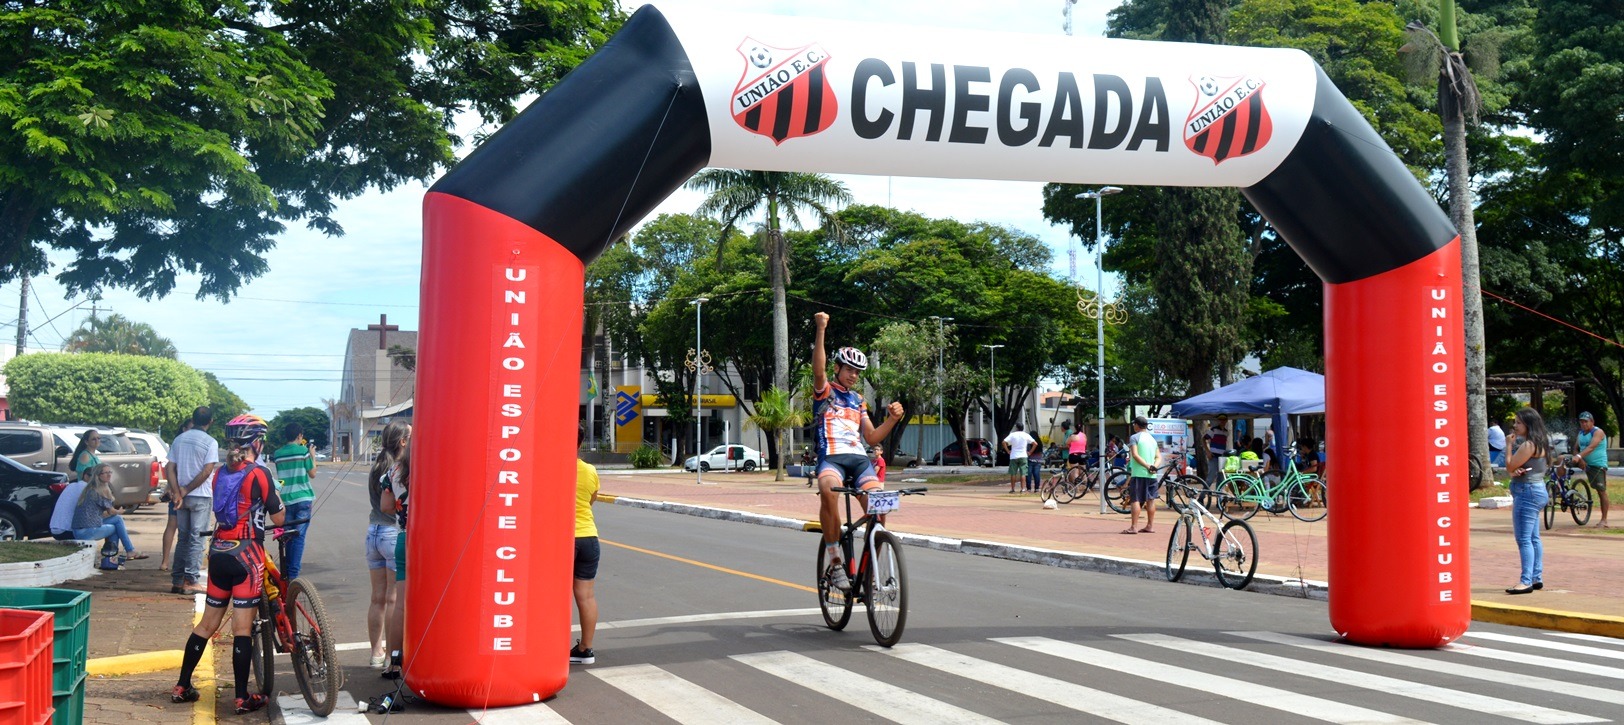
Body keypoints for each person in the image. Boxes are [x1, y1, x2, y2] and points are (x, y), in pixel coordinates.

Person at [170, 417, 285, 714]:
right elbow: (279, 518)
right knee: (242, 629)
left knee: (207, 624)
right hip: (247, 555)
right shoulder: (260, 472)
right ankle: (242, 697)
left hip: (219, 551)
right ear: (257, 443)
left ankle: (182, 685)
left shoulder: (220, 473)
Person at [811, 312, 904, 592]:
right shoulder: (825, 391)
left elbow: (872, 436)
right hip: (832, 459)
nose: (853, 375)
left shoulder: (859, 400)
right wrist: (821, 328)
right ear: (838, 368)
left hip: (860, 460)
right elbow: (818, 370)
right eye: (849, 369)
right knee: (828, 490)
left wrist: (892, 419)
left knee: (881, 507)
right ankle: (836, 561)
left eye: (857, 372)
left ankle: (870, 572)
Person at [366, 421, 410, 672]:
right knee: (394, 599)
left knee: (378, 598)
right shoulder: (399, 469)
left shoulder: (377, 467)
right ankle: (389, 659)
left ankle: (375, 653)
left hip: (372, 532)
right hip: (391, 533)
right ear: (403, 442)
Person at [170, 406, 220, 596]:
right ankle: (191, 580)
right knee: (197, 539)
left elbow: (170, 468)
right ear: (210, 421)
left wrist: (177, 492)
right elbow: (207, 471)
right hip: (200, 494)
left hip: (182, 498)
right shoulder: (210, 442)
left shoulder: (179, 439)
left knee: (183, 538)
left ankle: (177, 580)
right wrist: (186, 489)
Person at [378, 425, 411, 683]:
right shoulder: (429, 464)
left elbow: (385, 506)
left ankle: (394, 660)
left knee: (400, 603)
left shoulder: (394, 470)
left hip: (403, 537)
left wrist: (403, 511)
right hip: (431, 542)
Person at [1505, 407, 1549, 594]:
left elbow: (1509, 466)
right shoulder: (1542, 442)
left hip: (1527, 492)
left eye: (1519, 422)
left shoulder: (1528, 445)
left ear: (1529, 424)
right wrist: (1518, 470)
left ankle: (1526, 581)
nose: (1515, 426)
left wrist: (1508, 445)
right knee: (1533, 538)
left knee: (1523, 539)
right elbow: (1530, 467)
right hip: (1537, 488)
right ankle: (1536, 577)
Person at [270, 422, 317, 580]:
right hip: (303, 498)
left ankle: (288, 572)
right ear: (299, 436)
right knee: (299, 536)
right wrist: (312, 456)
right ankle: (293, 576)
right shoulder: (303, 451)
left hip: (285, 500)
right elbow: (312, 473)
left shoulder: (278, 454)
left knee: (289, 536)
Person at [72, 464, 145, 562]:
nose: (109, 475)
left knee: (117, 520)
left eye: (110, 472)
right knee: (116, 526)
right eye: (105, 473)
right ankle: (116, 555)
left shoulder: (89, 488)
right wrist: (120, 511)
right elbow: (111, 511)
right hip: (87, 531)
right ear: (98, 475)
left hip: (79, 530)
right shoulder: (99, 490)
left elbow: (101, 514)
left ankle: (120, 554)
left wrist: (116, 513)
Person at [570, 425, 600, 665]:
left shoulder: (551, 468)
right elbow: (591, 499)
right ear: (580, 443)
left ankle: (548, 647)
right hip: (589, 537)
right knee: (586, 597)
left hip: (563, 539)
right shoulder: (590, 470)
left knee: (553, 596)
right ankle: (585, 649)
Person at [160, 417, 194, 571]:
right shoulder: (181, 444)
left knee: (186, 530)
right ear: (184, 429)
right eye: (191, 428)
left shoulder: (178, 443)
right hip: (180, 491)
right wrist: (172, 489)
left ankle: (174, 563)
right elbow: (170, 468)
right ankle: (166, 561)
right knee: (174, 526)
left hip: (187, 491)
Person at [1571, 412, 1610, 528]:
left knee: (1601, 491)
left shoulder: (1598, 432)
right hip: (1582, 461)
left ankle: (1604, 520)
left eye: (1586, 421)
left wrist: (1579, 457)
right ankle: (1558, 488)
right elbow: (1575, 448)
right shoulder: (1581, 433)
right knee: (1560, 460)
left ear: (1592, 422)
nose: (1583, 424)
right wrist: (1579, 458)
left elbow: (1591, 447)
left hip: (1597, 465)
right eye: (1581, 422)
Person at [1125, 416, 1159, 534]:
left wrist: (1146, 466)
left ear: (1137, 425)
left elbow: (1134, 454)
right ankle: (1150, 525)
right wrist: (1153, 466)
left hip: (1139, 473)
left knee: (1135, 499)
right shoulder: (1152, 439)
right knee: (1151, 500)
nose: (1133, 426)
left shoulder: (1134, 437)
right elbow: (1158, 457)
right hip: (1152, 475)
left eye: (1134, 424)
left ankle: (1133, 527)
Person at [49, 468, 91, 541]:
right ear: (86, 476)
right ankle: (110, 548)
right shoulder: (86, 488)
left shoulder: (71, 485)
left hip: (54, 530)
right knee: (114, 523)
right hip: (67, 531)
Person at [1002, 423, 1036, 494]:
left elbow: (1004, 442)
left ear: (1017, 428)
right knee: (1023, 473)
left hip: (1014, 455)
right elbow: (1035, 444)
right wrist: (1030, 452)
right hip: (1023, 455)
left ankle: (1013, 489)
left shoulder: (1012, 435)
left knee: (1013, 473)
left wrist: (1008, 451)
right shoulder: (1026, 435)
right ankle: (1023, 488)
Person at [1203, 416, 1229, 483]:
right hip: (1213, 456)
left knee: (1221, 478)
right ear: (1218, 420)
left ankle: (1218, 493)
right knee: (1211, 477)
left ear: (1226, 421)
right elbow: (1204, 439)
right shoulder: (1214, 430)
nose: (1222, 421)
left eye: (1224, 420)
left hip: (1222, 457)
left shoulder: (1226, 432)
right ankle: (1203, 493)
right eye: (1221, 420)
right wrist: (1208, 452)